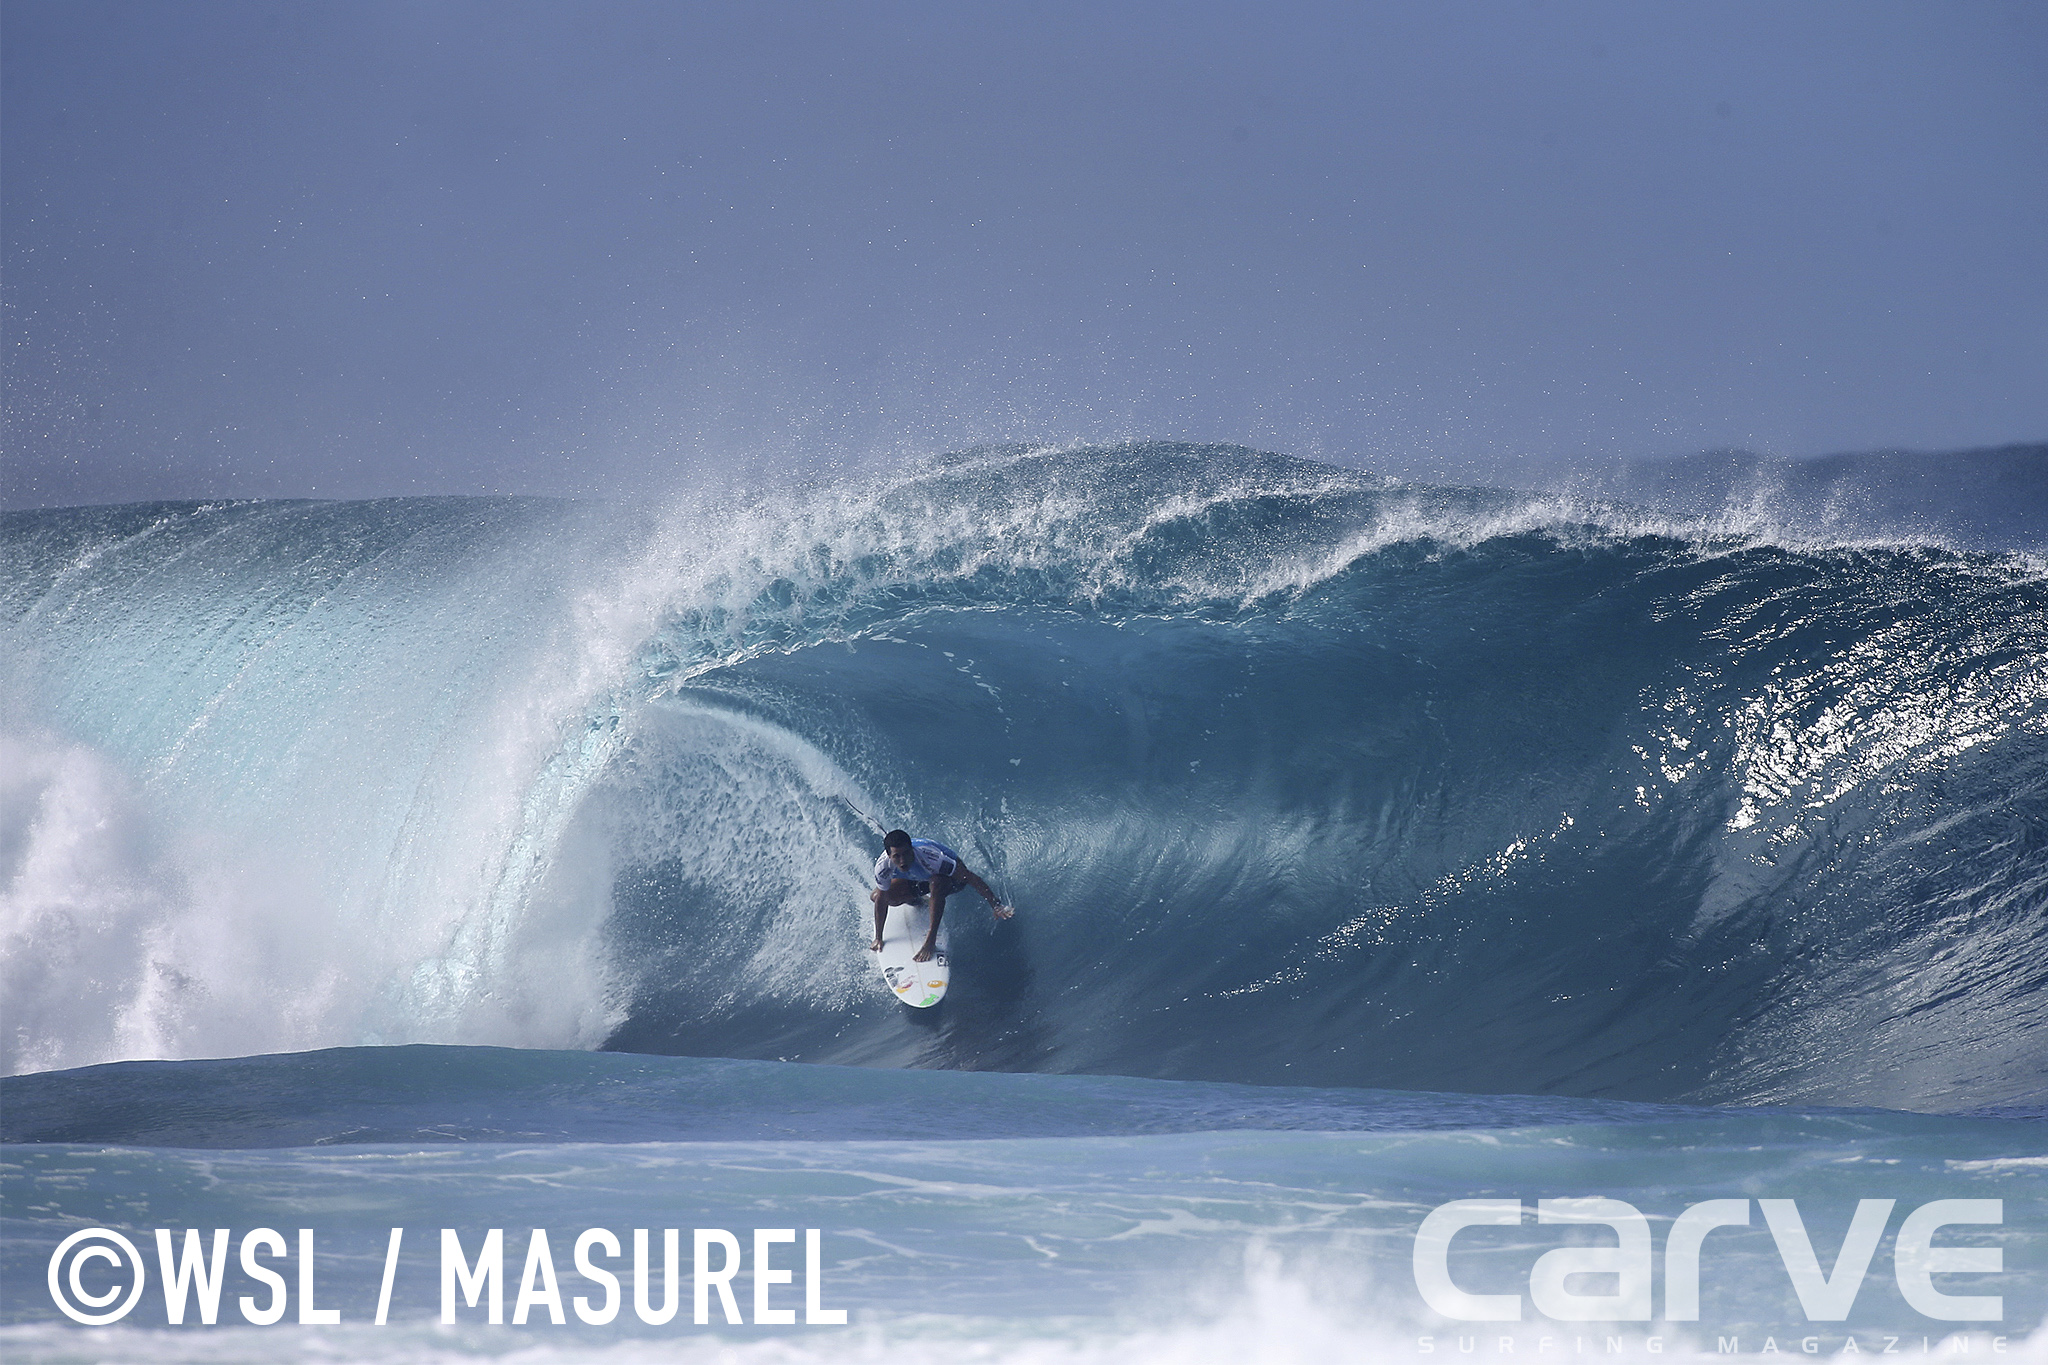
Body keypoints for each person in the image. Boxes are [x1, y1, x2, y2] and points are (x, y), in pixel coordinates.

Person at [870, 828, 1011, 963]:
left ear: (912, 849)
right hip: (920, 879)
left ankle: (931, 939)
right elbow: (881, 899)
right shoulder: (883, 867)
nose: (903, 860)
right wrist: (878, 938)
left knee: (937, 882)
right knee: (878, 896)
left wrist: (996, 905)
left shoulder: (932, 859)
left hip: (950, 881)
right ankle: (919, 901)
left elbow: (970, 878)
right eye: (897, 856)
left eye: (906, 853)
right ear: (889, 856)